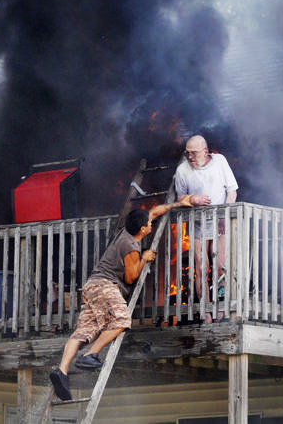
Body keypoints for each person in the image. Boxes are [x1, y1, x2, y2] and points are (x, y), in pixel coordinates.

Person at [49, 201, 187, 401]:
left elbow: (153, 212)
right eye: (149, 224)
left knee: (84, 331)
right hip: (106, 286)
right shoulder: (131, 246)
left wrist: (178, 203)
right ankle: (90, 355)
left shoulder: (127, 230)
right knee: (122, 320)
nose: (151, 224)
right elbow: (130, 277)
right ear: (142, 229)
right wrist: (145, 258)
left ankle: (62, 371)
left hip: (91, 287)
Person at [174, 135, 238, 323]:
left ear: (205, 151)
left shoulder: (219, 162)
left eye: (194, 153)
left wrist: (224, 214)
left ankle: (221, 306)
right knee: (201, 267)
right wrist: (192, 199)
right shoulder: (182, 170)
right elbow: (180, 199)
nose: (190, 157)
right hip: (197, 225)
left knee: (220, 266)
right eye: (187, 153)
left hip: (219, 223)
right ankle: (205, 312)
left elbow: (232, 190)